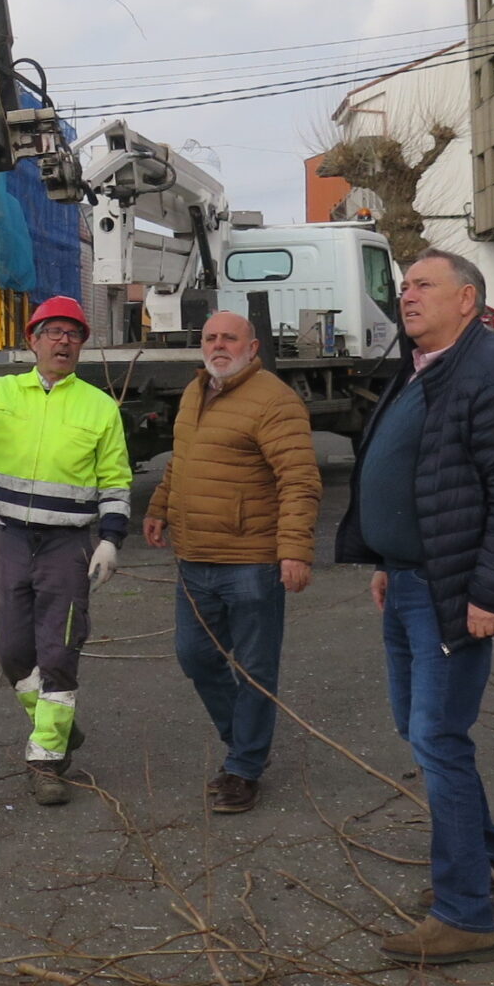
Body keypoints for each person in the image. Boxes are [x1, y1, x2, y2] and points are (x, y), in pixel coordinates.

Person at [337, 249, 494, 964]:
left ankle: (465, 912)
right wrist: (388, 558)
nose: (407, 296)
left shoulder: (492, 372)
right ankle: (490, 859)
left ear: (468, 300)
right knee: (418, 728)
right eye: (406, 286)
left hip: (453, 592)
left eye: (424, 286)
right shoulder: (427, 364)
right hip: (411, 580)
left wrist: (490, 593)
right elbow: (420, 473)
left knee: (438, 738)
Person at [0, 295, 132, 806]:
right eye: (54, 332)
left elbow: (115, 483)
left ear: (83, 345)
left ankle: (46, 760)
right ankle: (59, 726)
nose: (63, 341)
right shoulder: (0, 392)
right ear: (33, 340)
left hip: (67, 544)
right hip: (10, 539)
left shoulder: (99, 406)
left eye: (73, 334)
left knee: (60, 649)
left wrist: (110, 540)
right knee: (9, 644)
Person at [142, 310, 320, 816]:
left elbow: (300, 480)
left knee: (256, 669)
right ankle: (244, 739)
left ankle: (244, 766)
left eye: (229, 338)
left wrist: (294, 550)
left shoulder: (274, 401)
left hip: (251, 561)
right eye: (211, 337)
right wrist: (159, 507)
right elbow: (183, 459)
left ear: (253, 346)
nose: (219, 345)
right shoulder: (197, 391)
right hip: (194, 557)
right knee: (195, 657)